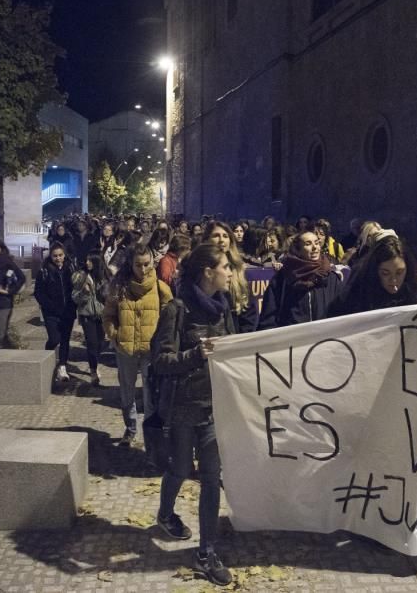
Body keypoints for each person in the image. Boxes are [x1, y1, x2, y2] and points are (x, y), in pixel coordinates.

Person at [150, 243, 236, 586]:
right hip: (184, 408)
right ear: (207, 272)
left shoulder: (223, 309)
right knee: (181, 469)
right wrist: (194, 355)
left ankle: (206, 552)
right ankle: (165, 512)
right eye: (225, 267)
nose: (230, 272)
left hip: (217, 408)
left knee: (211, 478)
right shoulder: (177, 309)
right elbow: (160, 361)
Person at [103, 242, 173, 447]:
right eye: (138, 265)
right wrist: (115, 335)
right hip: (126, 348)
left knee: (151, 395)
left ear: (152, 262)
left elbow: (171, 318)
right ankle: (130, 428)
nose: (142, 269)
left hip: (151, 351)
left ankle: (150, 436)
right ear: (130, 265)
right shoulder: (119, 287)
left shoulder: (161, 288)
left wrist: (163, 342)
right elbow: (108, 315)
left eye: (146, 264)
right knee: (127, 391)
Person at [258, 231, 343, 329]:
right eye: (308, 244)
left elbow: (341, 311)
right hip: (292, 341)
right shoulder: (283, 278)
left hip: (325, 339)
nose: (315, 247)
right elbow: (268, 318)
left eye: (316, 243)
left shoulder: (330, 277)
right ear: (297, 250)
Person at [335, 233, 417, 314]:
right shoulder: (356, 295)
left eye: (399, 273)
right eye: (385, 273)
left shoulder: (413, 291)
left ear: (408, 270)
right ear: (374, 271)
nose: (393, 280)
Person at [34, 242, 77, 382]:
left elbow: (76, 287)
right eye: (55, 256)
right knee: (54, 339)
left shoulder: (70, 268)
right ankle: (46, 356)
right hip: (51, 312)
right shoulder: (44, 271)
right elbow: (38, 292)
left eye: (60, 255)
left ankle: (62, 366)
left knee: (65, 340)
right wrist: (49, 305)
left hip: (68, 311)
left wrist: (74, 304)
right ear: (50, 256)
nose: (58, 258)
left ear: (64, 255)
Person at [204, 221, 257, 333]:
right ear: (206, 240)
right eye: (216, 236)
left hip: (235, 337)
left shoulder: (239, 271)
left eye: (225, 236)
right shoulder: (197, 268)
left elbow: (249, 311)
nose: (221, 240)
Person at [72, 252, 110, 386]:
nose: (87, 263)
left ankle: (95, 363)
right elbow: (75, 297)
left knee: (100, 343)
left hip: (101, 315)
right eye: (86, 260)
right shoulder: (81, 277)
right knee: (92, 343)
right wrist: (84, 293)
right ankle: (93, 371)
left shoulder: (105, 277)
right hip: (87, 315)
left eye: (90, 260)